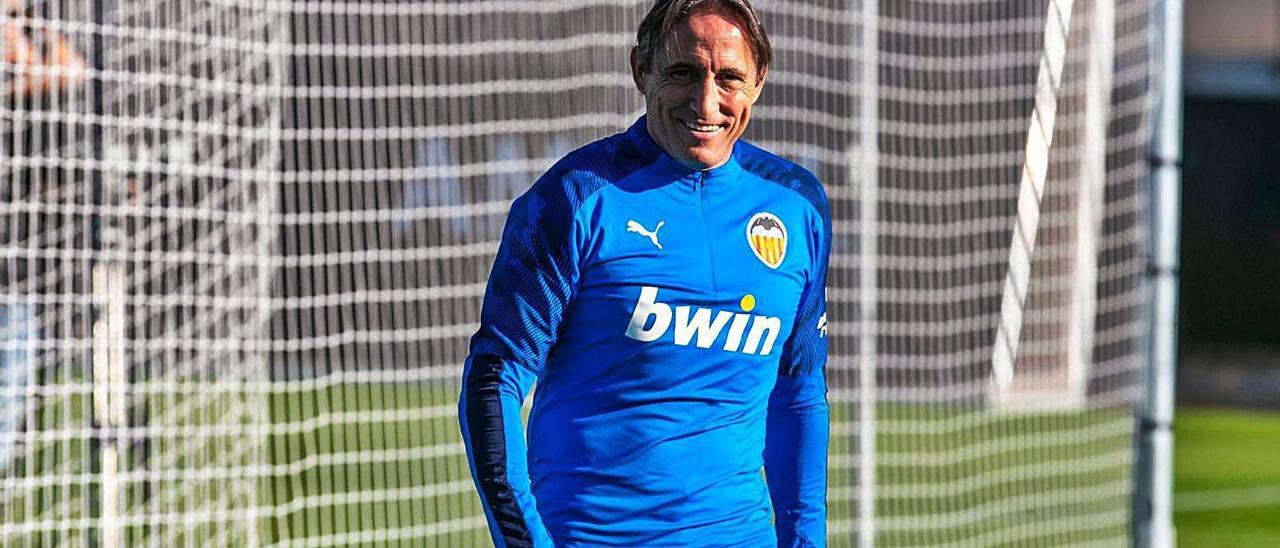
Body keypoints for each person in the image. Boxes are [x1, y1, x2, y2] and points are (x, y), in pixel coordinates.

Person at [458, 0, 830, 545]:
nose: (707, 102)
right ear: (641, 69)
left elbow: (798, 393)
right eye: (683, 73)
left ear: (759, 80)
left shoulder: (797, 207)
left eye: (729, 78)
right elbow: (494, 379)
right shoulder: (575, 198)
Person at [1, 0, 87, 475]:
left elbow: (72, 71)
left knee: (13, 377)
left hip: (13, 267)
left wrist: (33, 23)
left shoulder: (31, 55)